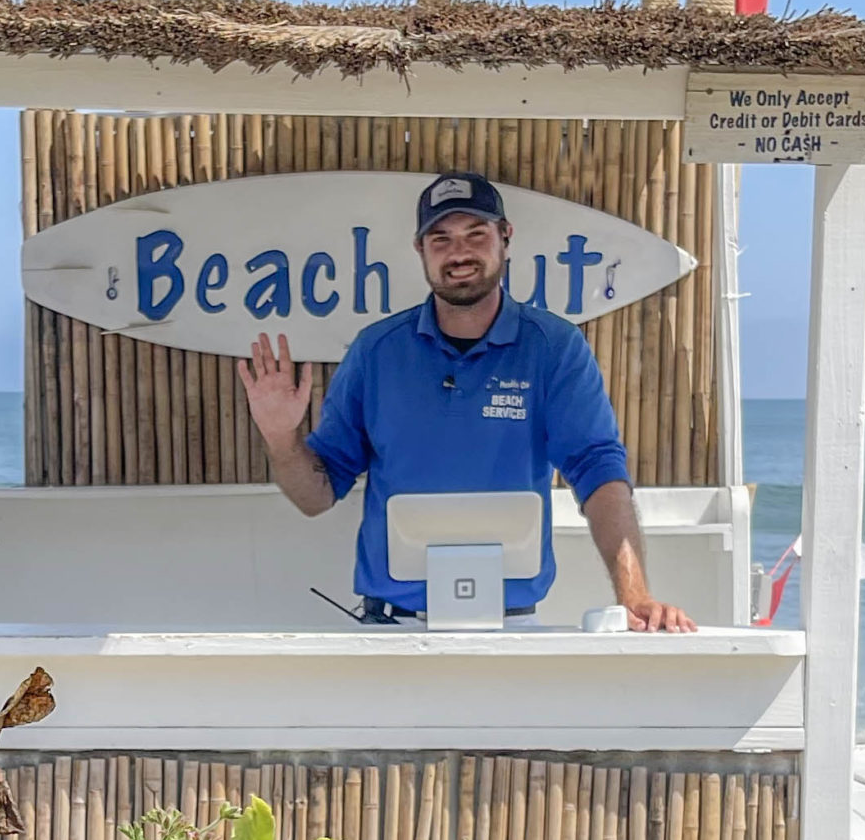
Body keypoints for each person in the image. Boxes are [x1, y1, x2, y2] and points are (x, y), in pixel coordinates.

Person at [237, 171, 696, 631]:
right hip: (392, 631)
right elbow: (314, 498)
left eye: (476, 234)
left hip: (511, 629)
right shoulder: (375, 351)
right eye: (441, 238)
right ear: (420, 250)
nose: (459, 252)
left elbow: (598, 470)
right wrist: (281, 439)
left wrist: (634, 595)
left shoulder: (554, 348)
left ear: (505, 237)